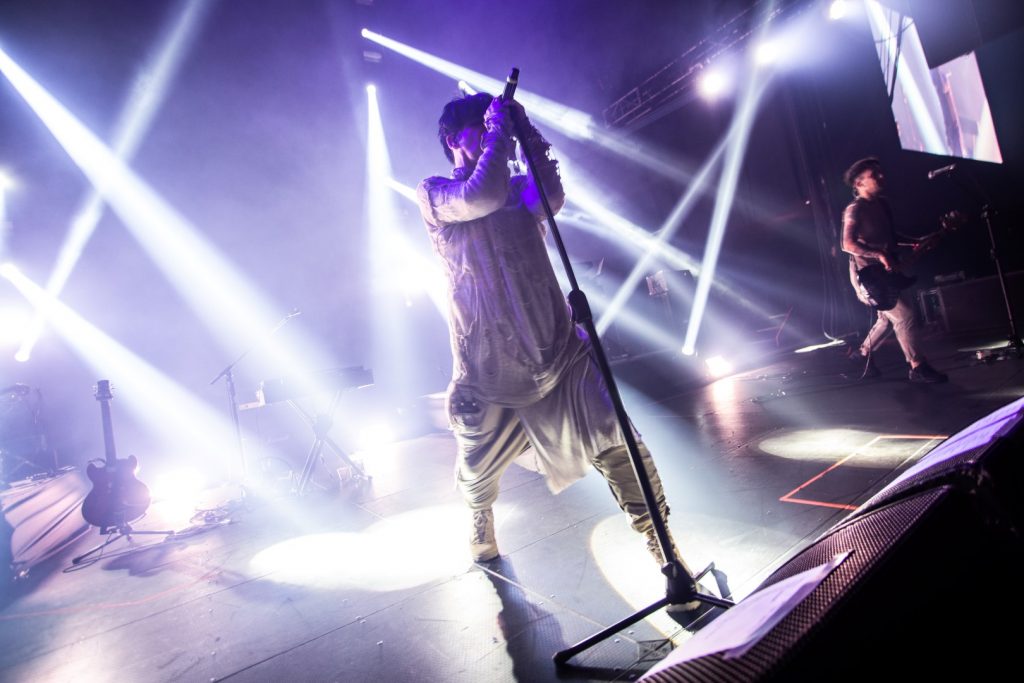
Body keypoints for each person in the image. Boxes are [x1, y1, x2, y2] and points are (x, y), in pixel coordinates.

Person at [416, 92, 680, 566]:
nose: (492, 133)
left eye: (494, 125)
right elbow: (481, 196)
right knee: (477, 468)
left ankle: (659, 538)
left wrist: (528, 133)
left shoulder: (519, 189)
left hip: (558, 353)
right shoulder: (436, 194)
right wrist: (500, 130)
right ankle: (480, 515)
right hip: (488, 367)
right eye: (481, 126)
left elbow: (551, 198)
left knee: (619, 440)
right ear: (454, 140)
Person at [840, 157, 947, 383]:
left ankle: (862, 354)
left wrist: (916, 242)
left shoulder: (883, 204)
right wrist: (879, 254)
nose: (881, 177)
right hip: (867, 274)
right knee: (904, 315)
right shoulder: (854, 209)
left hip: (886, 269)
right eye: (874, 175)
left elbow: (891, 237)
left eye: (881, 173)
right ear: (859, 183)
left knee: (887, 317)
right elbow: (847, 244)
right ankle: (917, 366)